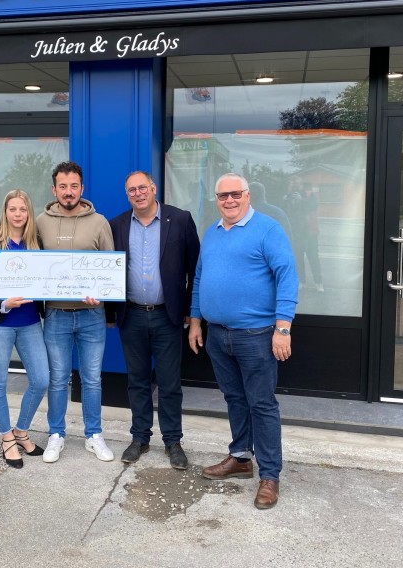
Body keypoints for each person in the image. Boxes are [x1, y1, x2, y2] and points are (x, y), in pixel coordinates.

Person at [188, 173, 298, 509]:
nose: (230, 200)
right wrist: (196, 322)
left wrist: (283, 328)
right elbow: (200, 279)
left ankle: (270, 475)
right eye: (223, 196)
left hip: (257, 335)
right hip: (217, 334)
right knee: (234, 398)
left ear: (248, 196)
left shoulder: (268, 229)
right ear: (216, 200)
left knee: (261, 404)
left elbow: (287, 276)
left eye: (236, 194)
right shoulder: (212, 232)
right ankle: (240, 458)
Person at [107, 171, 200, 470]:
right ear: (127, 195)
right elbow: (109, 270)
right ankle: (140, 438)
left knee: (170, 383)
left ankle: (173, 441)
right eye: (131, 190)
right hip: (131, 315)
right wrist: (109, 312)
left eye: (142, 188)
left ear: (153, 188)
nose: (138, 193)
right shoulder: (117, 224)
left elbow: (195, 270)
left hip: (167, 316)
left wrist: (192, 312)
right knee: (137, 381)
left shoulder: (180, 219)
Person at [36, 160, 116, 463]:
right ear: (54, 189)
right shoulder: (40, 222)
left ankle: (93, 435)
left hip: (91, 315)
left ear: (82, 188)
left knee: (92, 378)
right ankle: (56, 434)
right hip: (55, 314)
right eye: (63, 186)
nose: (68, 192)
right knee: (58, 378)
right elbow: (34, 265)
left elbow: (110, 268)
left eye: (73, 186)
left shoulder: (100, 222)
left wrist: (103, 295)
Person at [0, 189, 49, 469]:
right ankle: (6, 438)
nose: (18, 214)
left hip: (29, 323)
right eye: (12, 209)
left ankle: (21, 431)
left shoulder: (36, 245)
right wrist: (2, 303)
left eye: (23, 209)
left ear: (29, 213)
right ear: (4, 212)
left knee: (41, 379)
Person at [283, 176, 324, 292]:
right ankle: (301, 281)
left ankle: (318, 282)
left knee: (313, 258)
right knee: (298, 259)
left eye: (296, 184)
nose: (294, 187)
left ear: (301, 185)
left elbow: (313, 207)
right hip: (296, 234)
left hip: (310, 233)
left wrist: (302, 200)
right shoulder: (288, 197)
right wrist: (285, 201)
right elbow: (286, 214)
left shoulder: (310, 196)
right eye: (292, 185)